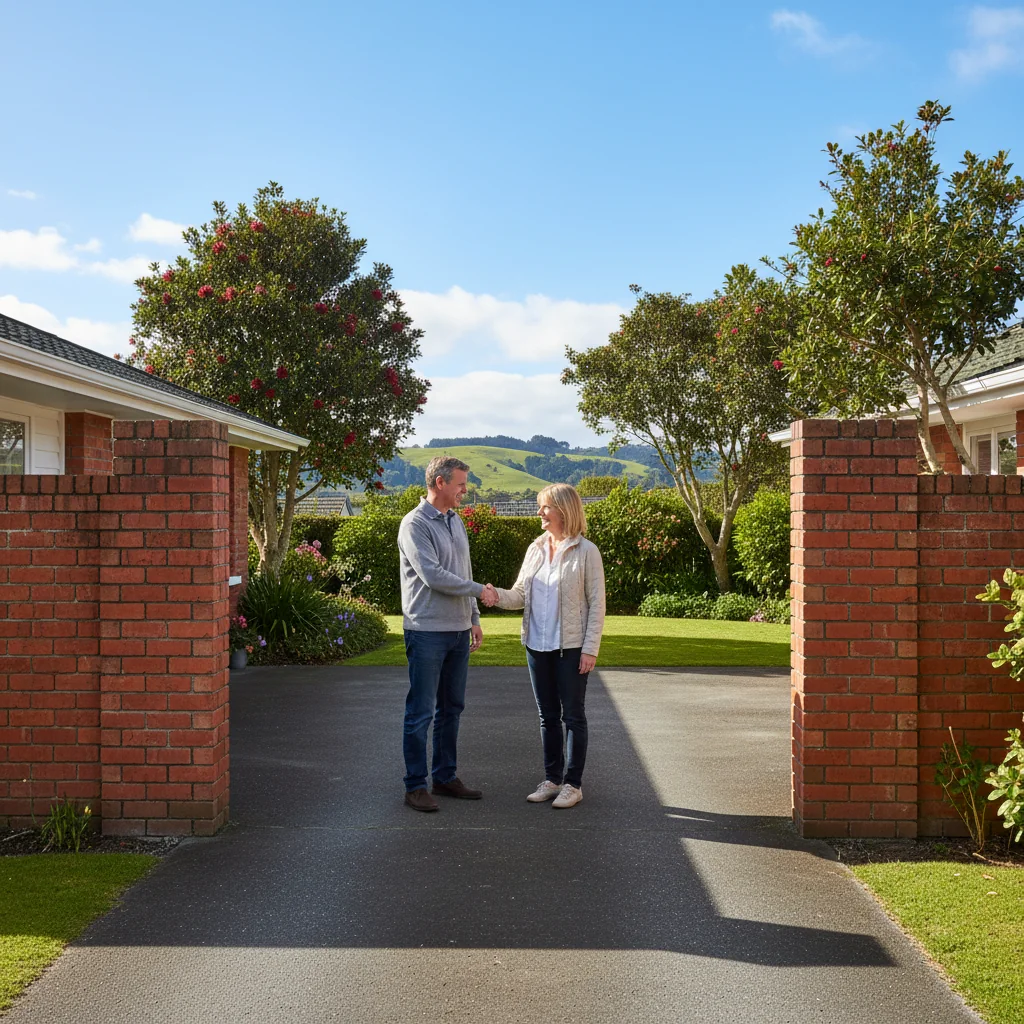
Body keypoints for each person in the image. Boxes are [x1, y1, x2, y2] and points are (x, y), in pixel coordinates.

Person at [485, 483, 605, 809]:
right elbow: (520, 594)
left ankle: (573, 784)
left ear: (563, 510)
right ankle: (552, 780)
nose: (539, 512)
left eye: (544, 507)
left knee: (574, 717)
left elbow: (597, 604)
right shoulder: (536, 548)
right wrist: (496, 597)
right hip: (537, 646)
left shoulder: (586, 552)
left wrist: (590, 648)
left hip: (571, 647)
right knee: (547, 716)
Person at [397, 456, 499, 812]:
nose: (464, 491)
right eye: (460, 484)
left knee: (451, 708)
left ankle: (444, 777)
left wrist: (473, 615)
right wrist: (478, 590)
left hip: (457, 632)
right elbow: (433, 575)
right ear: (440, 483)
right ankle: (415, 786)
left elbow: (462, 567)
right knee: (421, 711)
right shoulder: (414, 524)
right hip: (426, 632)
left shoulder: (456, 521)